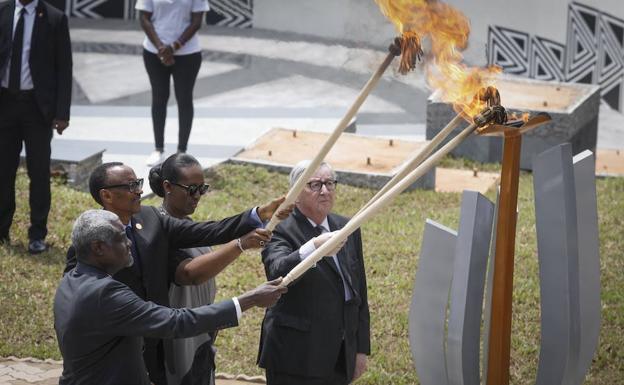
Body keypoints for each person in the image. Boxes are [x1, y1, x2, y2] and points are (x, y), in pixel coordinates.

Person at [64, 161, 291, 385]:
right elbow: (72, 302)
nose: (140, 190)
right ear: (107, 196)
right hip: (115, 353)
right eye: (131, 186)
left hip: (157, 344)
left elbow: (206, 231)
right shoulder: (89, 245)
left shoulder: (150, 218)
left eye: (138, 183)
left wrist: (260, 213)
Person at [148, 152, 264, 385]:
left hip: (201, 331)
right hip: (177, 335)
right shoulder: (156, 229)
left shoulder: (189, 226)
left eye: (203, 189)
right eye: (192, 189)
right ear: (168, 186)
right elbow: (190, 273)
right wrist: (240, 244)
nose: (198, 196)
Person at [258, 161, 371, 385]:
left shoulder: (347, 227)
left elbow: (359, 292)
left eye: (330, 183)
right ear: (295, 194)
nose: (325, 191)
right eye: (315, 185)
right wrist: (313, 248)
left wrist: (359, 349)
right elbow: (277, 272)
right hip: (295, 357)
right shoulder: (277, 228)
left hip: (340, 355)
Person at [0, 0, 72, 253]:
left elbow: (64, 67)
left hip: (37, 109)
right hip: (5, 104)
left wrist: (62, 113)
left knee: (39, 173)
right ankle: (2, 231)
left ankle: (37, 234)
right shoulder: (3, 11)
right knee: (3, 171)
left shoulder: (54, 18)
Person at [136, 0, 209, 166]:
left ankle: (182, 152)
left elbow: (197, 21)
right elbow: (144, 18)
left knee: (184, 99)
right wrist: (161, 47)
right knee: (159, 97)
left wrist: (175, 46)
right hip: (154, 51)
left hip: (188, 53)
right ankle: (158, 149)